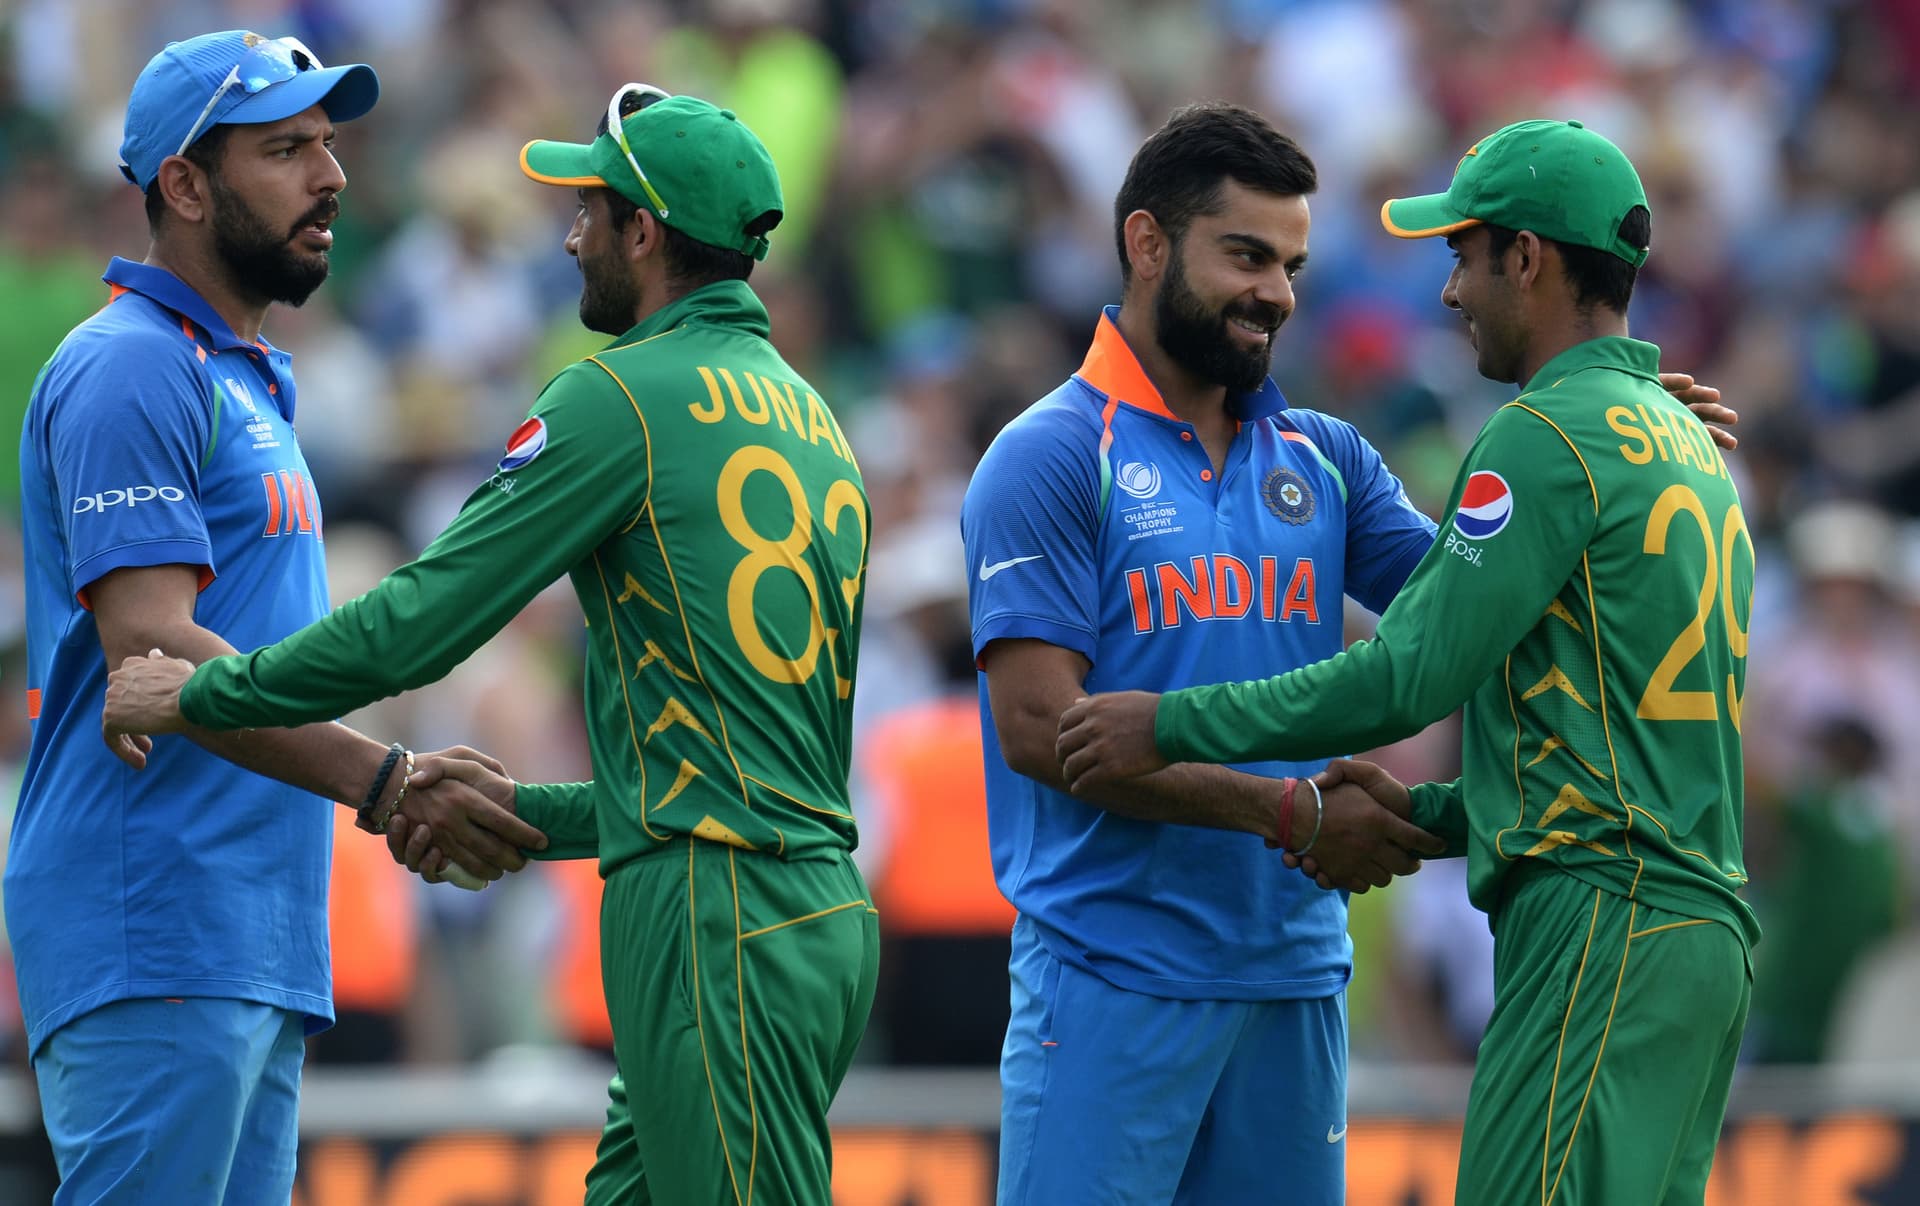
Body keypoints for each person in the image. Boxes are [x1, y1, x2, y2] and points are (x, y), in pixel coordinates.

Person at [102, 84, 879, 1206]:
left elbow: (418, 626)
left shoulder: (620, 396)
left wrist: (203, 694)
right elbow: (744, 771)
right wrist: (522, 816)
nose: (569, 238)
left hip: (714, 919)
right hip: (807, 910)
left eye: (589, 211)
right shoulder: (814, 419)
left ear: (643, 234)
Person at [967, 102, 1739, 1205]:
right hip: (1112, 974)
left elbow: (1486, 623)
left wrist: (1614, 448)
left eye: (1290, 266)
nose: (1277, 293)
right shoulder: (1045, 455)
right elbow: (1042, 730)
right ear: (1146, 244)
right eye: (1245, 256)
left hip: (1295, 980)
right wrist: (1286, 813)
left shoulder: (1327, 456)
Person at [9, 30, 537, 1204]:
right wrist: (385, 780)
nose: (331, 175)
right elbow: (151, 642)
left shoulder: (238, 372)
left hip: (247, 928)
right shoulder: (131, 365)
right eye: (286, 149)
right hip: (155, 914)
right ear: (185, 186)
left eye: (328, 144)